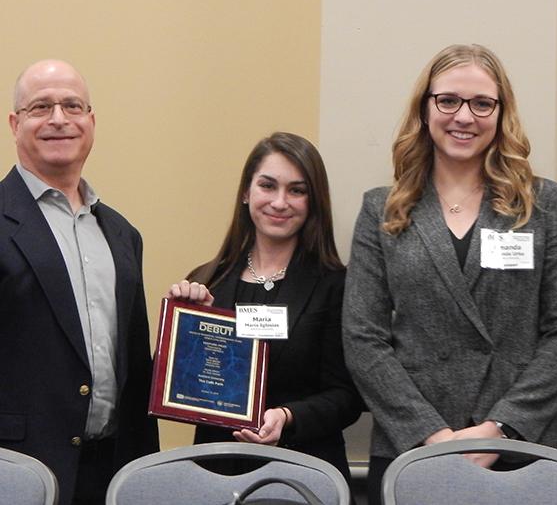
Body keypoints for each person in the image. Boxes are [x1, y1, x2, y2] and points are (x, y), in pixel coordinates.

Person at [342, 43, 557, 505]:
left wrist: (497, 431)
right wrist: (432, 435)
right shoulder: (382, 209)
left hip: (520, 445)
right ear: (425, 108)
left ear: (501, 112)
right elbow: (363, 338)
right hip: (412, 447)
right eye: (448, 100)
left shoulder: (542, 204)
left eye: (482, 103)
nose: (464, 117)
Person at [0, 59, 159, 504]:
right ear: (15, 123)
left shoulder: (123, 234)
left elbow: (132, 360)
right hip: (17, 472)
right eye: (40, 107)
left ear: (91, 121)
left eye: (72, 106)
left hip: (110, 471)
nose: (58, 119)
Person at [167, 132, 363, 481]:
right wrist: (185, 327)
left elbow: (348, 396)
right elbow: (180, 390)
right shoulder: (206, 281)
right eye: (268, 186)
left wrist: (288, 417)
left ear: (313, 201)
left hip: (305, 472)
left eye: (297, 190)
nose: (279, 202)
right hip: (217, 474)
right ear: (246, 192)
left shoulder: (337, 285)